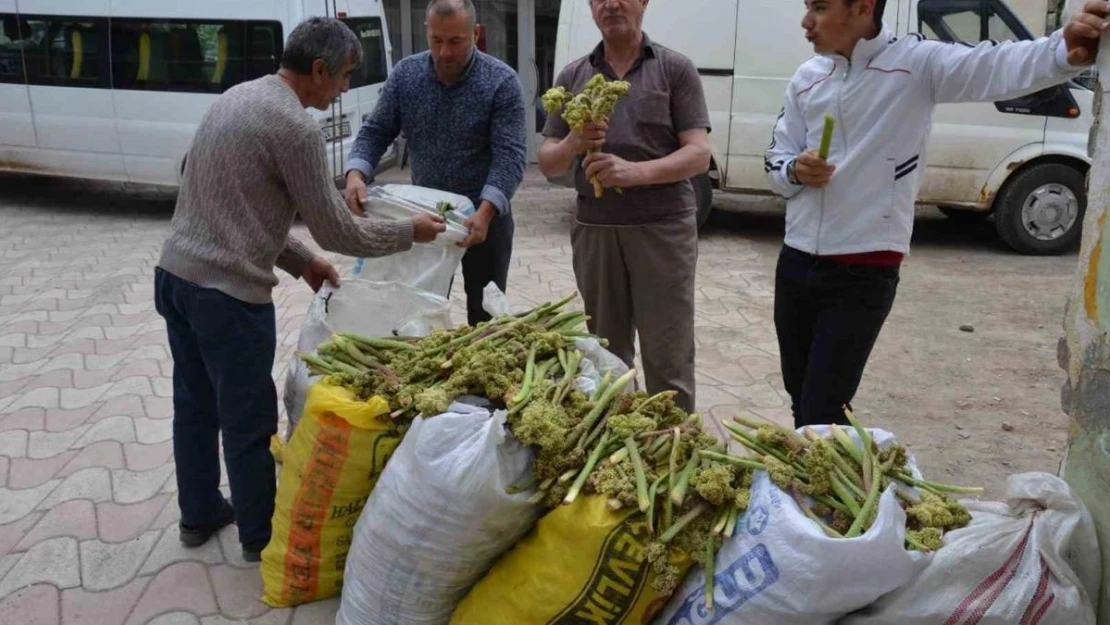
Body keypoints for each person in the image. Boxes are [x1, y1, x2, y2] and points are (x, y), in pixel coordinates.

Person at [153, 16, 446, 562]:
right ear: (318, 70)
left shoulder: (236, 96)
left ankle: (199, 514)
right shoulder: (295, 127)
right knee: (248, 418)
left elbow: (230, 208)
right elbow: (339, 228)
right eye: (343, 78)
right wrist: (411, 232)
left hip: (174, 277)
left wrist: (303, 261)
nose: (341, 91)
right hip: (226, 296)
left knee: (193, 404)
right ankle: (260, 539)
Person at [764, 0, 1108, 428]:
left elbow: (992, 65)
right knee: (800, 398)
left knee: (823, 408)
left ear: (862, 8)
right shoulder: (806, 79)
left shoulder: (915, 64)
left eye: (820, 7)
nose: (806, 21)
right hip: (795, 261)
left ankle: (853, 488)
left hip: (863, 268)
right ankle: (813, 491)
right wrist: (795, 170)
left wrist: (1062, 50)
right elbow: (776, 162)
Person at [536, 0, 711, 413]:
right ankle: (615, 444)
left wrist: (635, 173)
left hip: (662, 232)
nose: (611, 4)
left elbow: (699, 155)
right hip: (595, 232)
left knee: (667, 357)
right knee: (607, 355)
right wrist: (575, 141)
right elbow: (548, 162)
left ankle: (672, 447)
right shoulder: (574, 75)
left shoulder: (674, 68)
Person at [344, 0, 528, 327]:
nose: (444, 52)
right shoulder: (406, 75)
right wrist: (356, 173)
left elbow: (510, 156)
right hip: (424, 219)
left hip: (484, 222)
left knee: (484, 318)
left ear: (475, 33)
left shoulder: (502, 82)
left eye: (455, 41)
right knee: (416, 310)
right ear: (426, 33)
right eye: (436, 41)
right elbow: (375, 130)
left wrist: (485, 212)